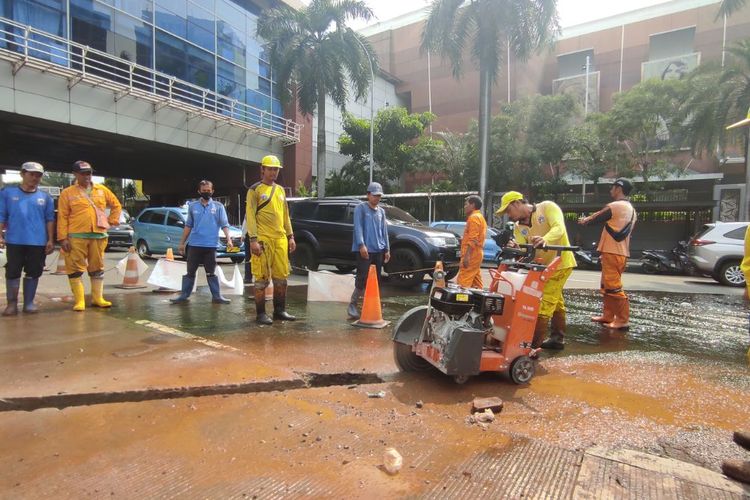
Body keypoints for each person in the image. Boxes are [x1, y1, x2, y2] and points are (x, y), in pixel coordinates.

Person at [496, 191, 576, 350]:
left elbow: (559, 228)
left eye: (509, 211)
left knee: (543, 304)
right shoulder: (519, 227)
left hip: (560, 264)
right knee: (556, 302)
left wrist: (545, 239)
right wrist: (515, 247)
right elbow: (522, 247)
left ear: (517, 203)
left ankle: (531, 347)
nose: (509, 216)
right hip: (543, 267)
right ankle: (558, 338)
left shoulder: (547, 207)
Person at [57, 161, 122, 312]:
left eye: (89, 173)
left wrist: (112, 220)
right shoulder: (67, 193)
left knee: (97, 267)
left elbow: (116, 205)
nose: (87, 176)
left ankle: (97, 298)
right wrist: (62, 238)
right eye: (83, 173)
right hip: (76, 236)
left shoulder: (101, 189)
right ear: (75, 174)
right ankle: (79, 301)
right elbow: (63, 216)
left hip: (99, 235)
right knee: (74, 268)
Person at [578, 178, 637, 329]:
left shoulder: (616, 206)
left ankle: (622, 320)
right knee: (607, 286)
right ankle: (608, 315)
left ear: (619, 188)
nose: (611, 190)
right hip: (617, 252)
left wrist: (585, 220)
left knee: (613, 287)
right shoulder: (630, 209)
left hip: (613, 252)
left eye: (613, 187)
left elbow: (597, 217)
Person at [246, 155, 296, 325]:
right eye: (270, 169)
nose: (273, 172)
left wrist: (290, 236)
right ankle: (260, 314)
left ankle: (280, 310)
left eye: (276, 169)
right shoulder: (255, 190)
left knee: (282, 277)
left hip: (280, 239)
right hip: (263, 239)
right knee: (261, 278)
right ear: (263, 169)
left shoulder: (281, 190)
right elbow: (251, 216)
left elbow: (285, 216)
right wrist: (253, 239)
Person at [0, 162, 55, 316]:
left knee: (34, 271)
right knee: (12, 271)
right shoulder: (7, 193)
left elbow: (49, 219)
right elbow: (1, 215)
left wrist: (50, 239)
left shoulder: (46, 197)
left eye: (38, 175)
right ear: (22, 174)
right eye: (31, 174)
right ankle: (12, 304)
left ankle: (29, 303)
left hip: (37, 242)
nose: (34, 178)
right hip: (14, 240)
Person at [171, 180, 234, 305]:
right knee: (190, 272)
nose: (206, 193)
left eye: (208, 191)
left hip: (211, 246)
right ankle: (184, 296)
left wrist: (229, 239)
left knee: (211, 272)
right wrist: (182, 243)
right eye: (204, 191)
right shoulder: (193, 206)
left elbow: (224, 225)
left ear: (212, 191)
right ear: (199, 191)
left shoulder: (218, 207)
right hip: (194, 245)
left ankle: (217, 296)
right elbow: (188, 226)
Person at [348, 182, 390, 319]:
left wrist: (387, 249)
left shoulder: (381, 212)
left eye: (379, 196)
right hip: (365, 250)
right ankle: (352, 305)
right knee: (362, 277)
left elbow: (384, 231)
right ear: (368, 195)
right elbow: (358, 227)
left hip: (378, 250)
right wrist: (361, 245)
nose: (377, 198)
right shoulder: (361, 208)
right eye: (374, 195)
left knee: (376, 279)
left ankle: (371, 305)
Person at [455, 195, 487, 289]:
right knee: (476, 284)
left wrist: (467, 256)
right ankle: (480, 301)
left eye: (466, 204)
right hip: (476, 253)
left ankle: (461, 302)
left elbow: (473, 239)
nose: (464, 207)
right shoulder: (479, 217)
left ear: (472, 205)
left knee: (463, 283)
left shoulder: (473, 218)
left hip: (472, 254)